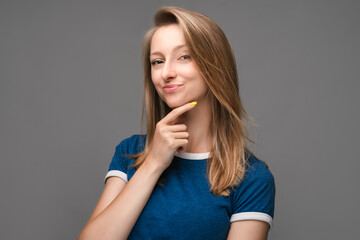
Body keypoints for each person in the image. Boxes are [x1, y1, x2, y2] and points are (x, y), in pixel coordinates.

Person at [78, 6, 275, 240]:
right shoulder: (129, 152)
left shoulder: (251, 177)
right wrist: (153, 163)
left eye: (184, 56)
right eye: (157, 61)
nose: (166, 73)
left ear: (215, 65)